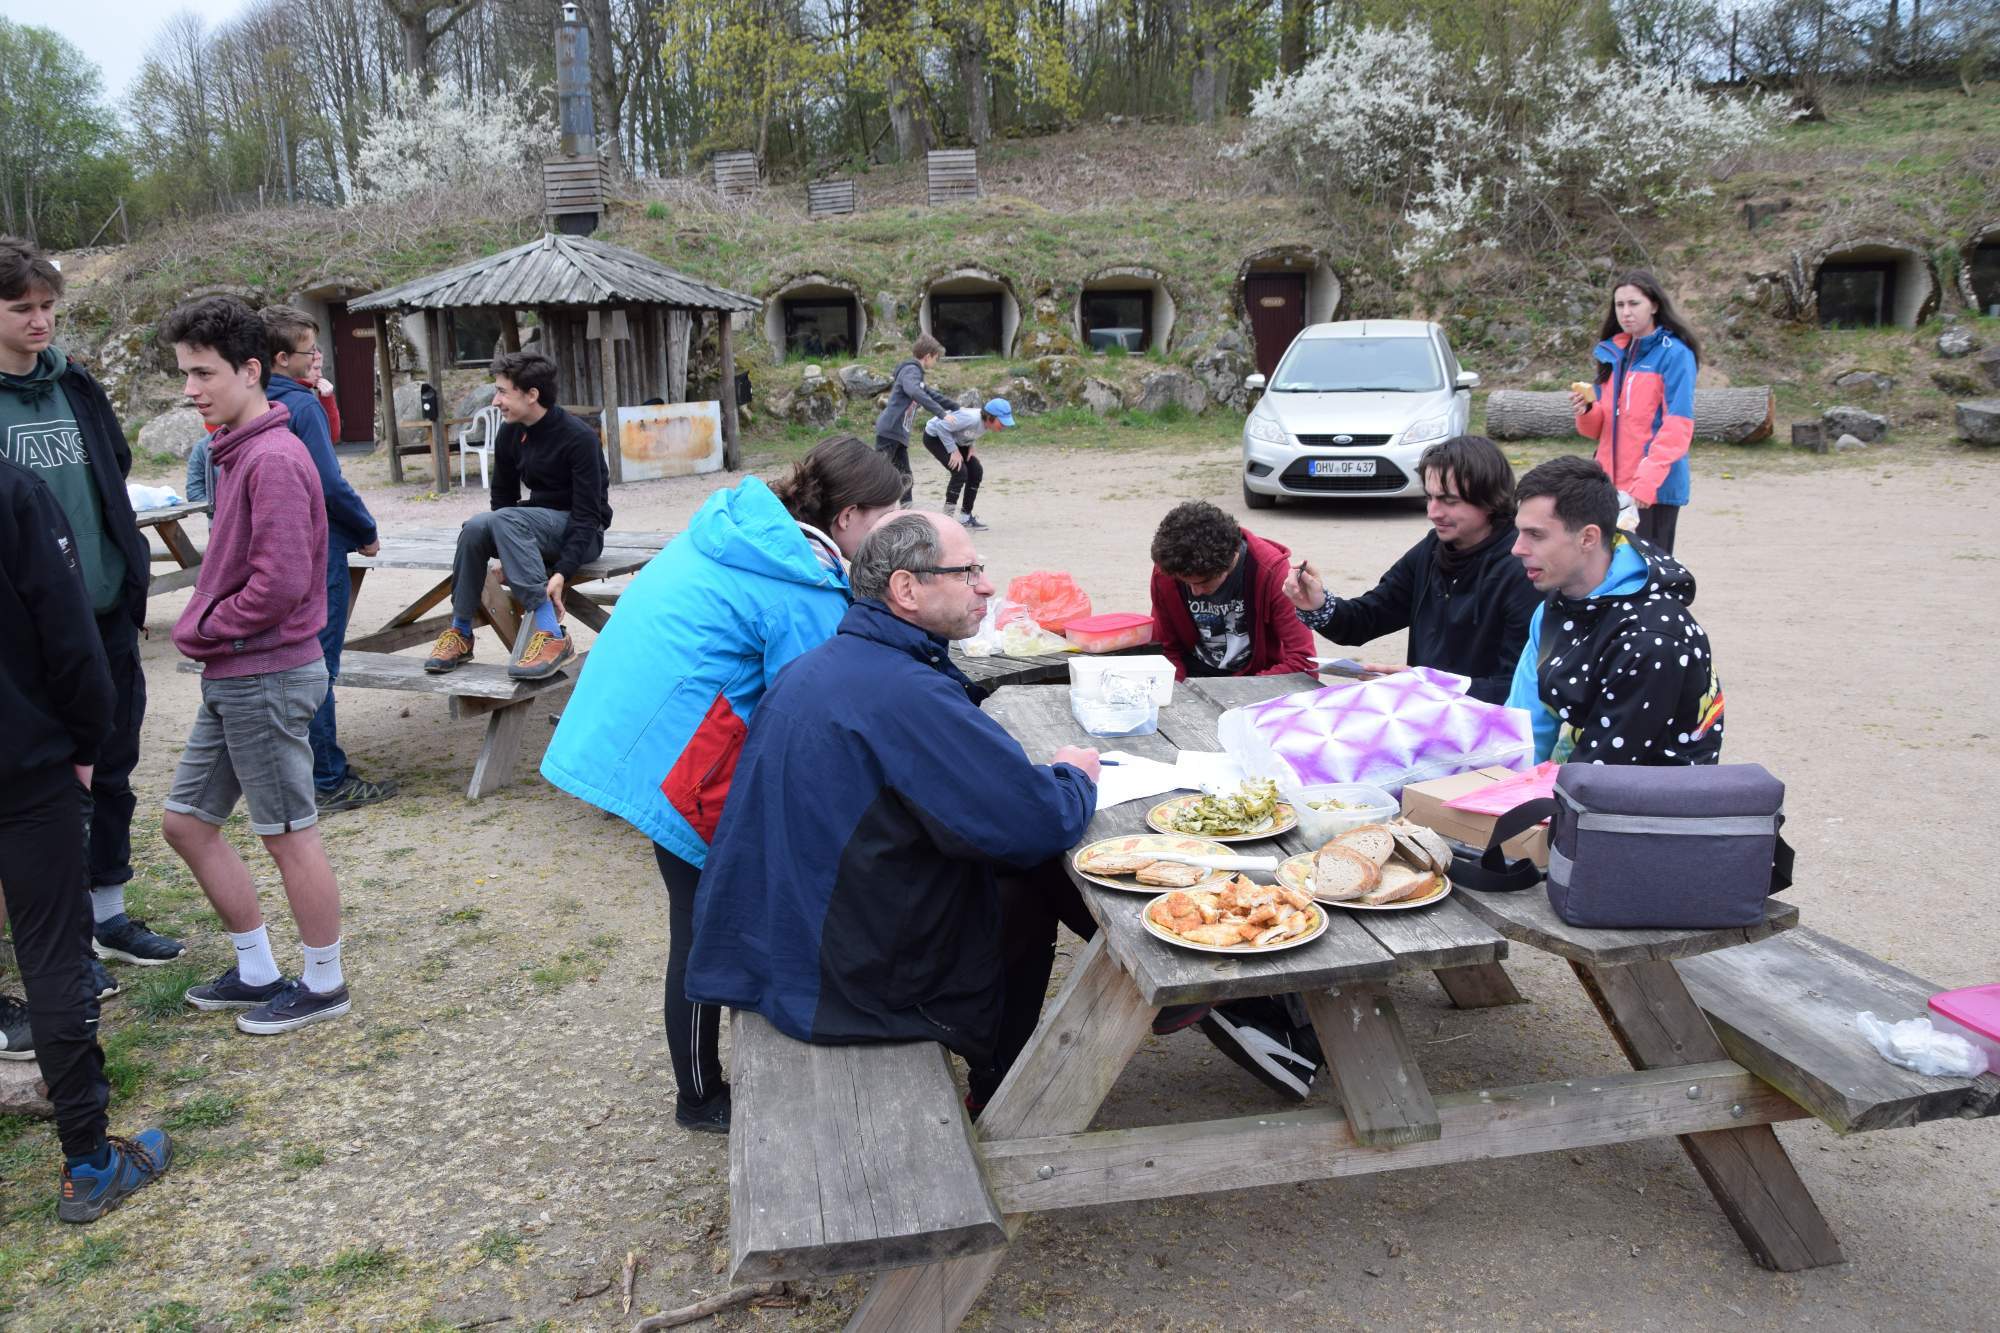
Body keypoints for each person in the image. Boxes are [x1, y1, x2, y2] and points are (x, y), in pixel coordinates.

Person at [540, 435, 904, 1134]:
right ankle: (700, 1094)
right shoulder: (796, 580)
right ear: (852, 515)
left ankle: (756, 1030)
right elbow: (821, 711)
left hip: (653, 733)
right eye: (889, 517)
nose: (896, 531)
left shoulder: (749, 528)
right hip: (687, 760)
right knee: (703, 924)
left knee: (716, 911)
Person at [684, 512, 1101, 1105]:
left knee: (1014, 879)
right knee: (1028, 879)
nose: (986, 585)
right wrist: (1075, 777)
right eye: (968, 571)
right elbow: (1033, 822)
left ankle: (1035, 1051)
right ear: (906, 589)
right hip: (843, 981)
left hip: (785, 944)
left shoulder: (827, 664)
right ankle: (1006, 1083)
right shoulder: (903, 690)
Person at [157, 296, 352, 1036]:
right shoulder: (231, 447)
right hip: (236, 672)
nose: (191, 388)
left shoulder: (270, 457)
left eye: (203, 373)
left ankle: (324, 981)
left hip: (266, 673)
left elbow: (280, 583)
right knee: (186, 824)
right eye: (185, 373)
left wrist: (203, 626)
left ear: (249, 370)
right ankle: (257, 968)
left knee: (287, 830)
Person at [0, 237, 182, 979]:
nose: (41, 322)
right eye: (22, 309)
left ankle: (107, 914)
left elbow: (117, 467)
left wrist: (128, 577)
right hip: (23, 639)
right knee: (41, 789)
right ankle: (57, 942)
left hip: (103, 612)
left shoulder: (75, 384)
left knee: (112, 764)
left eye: (48, 306)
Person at [0, 446, 173, 1222]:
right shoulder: (14, 491)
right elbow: (69, 633)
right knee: (52, 954)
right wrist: (85, 743)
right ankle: (88, 1162)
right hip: (26, 761)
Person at [255, 306, 393, 815]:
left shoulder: (251, 403)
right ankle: (328, 778)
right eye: (309, 348)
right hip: (320, 545)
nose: (317, 355)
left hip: (273, 550)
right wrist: (366, 529)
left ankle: (296, 771)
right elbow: (329, 481)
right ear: (280, 357)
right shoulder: (300, 406)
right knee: (319, 663)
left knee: (286, 660)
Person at [1281, 435, 1540, 704]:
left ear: (1490, 500)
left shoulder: (1523, 570)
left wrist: (1426, 687)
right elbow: (1367, 618)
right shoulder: (1432, 550)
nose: (1433, 512)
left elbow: (1517, 689)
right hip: (1425, 720)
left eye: (1449, 500)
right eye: (1430, 497)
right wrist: (1319, 606)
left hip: (1491, 733)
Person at [1505, 455, 1723, 765]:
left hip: (1654, 804)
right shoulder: (1554, 607)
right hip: (1582, 785)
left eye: (1536, 535)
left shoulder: (1650, 639)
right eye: (1520, 532)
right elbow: (1524, 736)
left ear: (1588, 538)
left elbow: (1600, 779)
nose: (1517, 549)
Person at [423, 351, 611, 681]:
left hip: (581, 532)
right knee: (476, 527)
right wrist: (507, 551)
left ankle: (552, 633)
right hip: (532, 530)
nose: (496, 401)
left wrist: (563, 573)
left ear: (532, 394)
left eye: (502, 391)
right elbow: (503, 500)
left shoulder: (578, 438)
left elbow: (587, 515)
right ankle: (461, 630)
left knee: (502, 520)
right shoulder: (511, 432)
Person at [1567, 270, 1701, 554]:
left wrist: (1647, 481)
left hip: (1652, 490)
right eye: (1619, 305)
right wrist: (1587, 410)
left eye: (1634, 304)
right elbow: (1596, 430)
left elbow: (1678, 426)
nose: (1626, 312)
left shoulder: (1675, 354)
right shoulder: (1612, 353)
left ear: (1654, 305)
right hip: (1610, 485)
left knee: (1650, 574)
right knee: (1606, 566)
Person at [1149, 500, 1315, 680]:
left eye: (1202, 583)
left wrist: (1237, 694)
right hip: (1192, 676)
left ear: (1229, 563)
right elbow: (1166, 651)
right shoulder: (1169, 570)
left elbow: (1304, 664)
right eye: (1186, 583)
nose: (1194, 592)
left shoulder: (1271, 573)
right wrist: (1178, 692)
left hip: (1258, 680)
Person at [872, 334, 954, 506]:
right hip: (890, 431)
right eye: (936, 358)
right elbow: (914, 391)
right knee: (878, 476)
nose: (936, 362)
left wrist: (956, 407)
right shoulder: (911, 371)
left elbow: (931, 394)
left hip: (899, 435)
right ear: (928, 356)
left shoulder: (917, 376)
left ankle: (907, 514)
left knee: (906, 476)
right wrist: (941, 414)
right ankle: (865, 510)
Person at [920, 396, 1013, 531]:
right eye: (1002, 422)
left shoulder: (985, 423)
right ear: (990, 417)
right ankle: (947, 519)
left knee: (976, 471)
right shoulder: (971, 418)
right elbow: (941, 426)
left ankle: (965, 518)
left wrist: (970, 445)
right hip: (935, 437)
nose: (1004, 426)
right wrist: (953, 451)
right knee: (959, 471)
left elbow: (968, 432)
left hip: (954, 438)